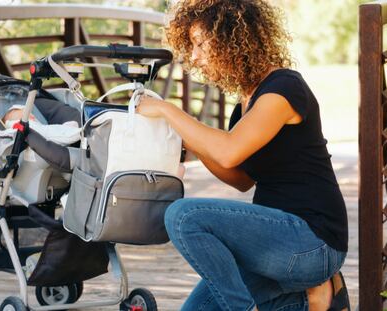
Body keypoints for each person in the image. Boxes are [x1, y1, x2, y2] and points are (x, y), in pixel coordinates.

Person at [136, 0, 349, 310]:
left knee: (184, 216)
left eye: (199, 44)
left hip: (311, 241)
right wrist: (188, 140)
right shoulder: (245, 105)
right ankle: (313, 296)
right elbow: (240, 179)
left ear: (229, 38)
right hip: (274, 245)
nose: (193, 57)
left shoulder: (283, 89)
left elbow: (228, 151)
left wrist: (168, 111)